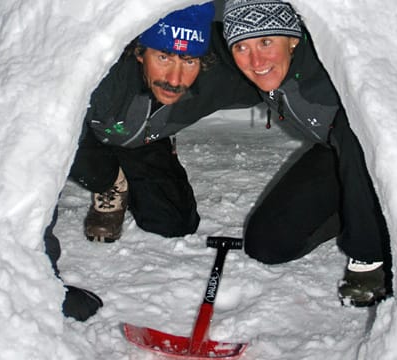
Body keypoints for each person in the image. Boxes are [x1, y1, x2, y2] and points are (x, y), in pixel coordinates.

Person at [45, 1, 260, 321]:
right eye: (163, 56)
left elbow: (295, 64)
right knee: (74, 149)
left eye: (189, 60)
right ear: (138, 50)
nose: (175, 77)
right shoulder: (98, 67)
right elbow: (30, 153)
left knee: (174, 223)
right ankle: (109, 182)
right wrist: (41, 273)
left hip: (143, 139)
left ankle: (148, 147)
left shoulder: (227, 69)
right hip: (84, 138)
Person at [222, 0, 392, 307]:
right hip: (335, 154)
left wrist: (368, 252)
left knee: (353, 129)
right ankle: (357, 210)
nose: (255, 59)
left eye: (265, 41)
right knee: (267, 244)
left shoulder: (334, 62)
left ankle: (373, 255)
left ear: (293, 39)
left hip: (386, 156)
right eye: (241, 47)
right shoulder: (271, 73)